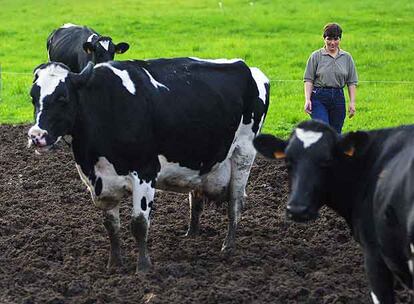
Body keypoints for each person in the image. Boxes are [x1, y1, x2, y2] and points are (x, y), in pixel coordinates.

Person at [303, 23, 358, 134]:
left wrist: (352, 102)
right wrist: (307, 99)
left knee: (335, 133)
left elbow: (351, 82)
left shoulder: (347, 58)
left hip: (338, 98)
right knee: (323, 130)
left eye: (336, 39)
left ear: (340, 39)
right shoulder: (316, 56)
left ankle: (333, 152)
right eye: (329, 39)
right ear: (324, 39)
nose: (332, 43)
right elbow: (308, 79)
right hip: (319, 97)